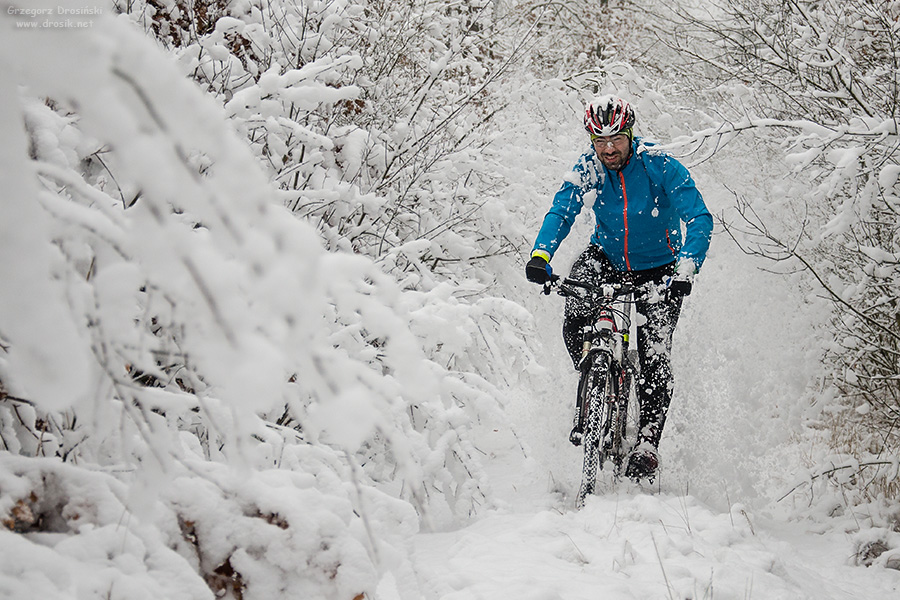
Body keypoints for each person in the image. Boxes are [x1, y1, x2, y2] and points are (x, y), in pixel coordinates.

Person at [525, 95, 712, 481]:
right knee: (575, 308)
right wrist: (541, 255)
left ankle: (646, 443)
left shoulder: (659, 163)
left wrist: (686, 269)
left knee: (655, 353)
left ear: (630, 134)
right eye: (600, 141)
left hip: (660, 268)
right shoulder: (589, 167)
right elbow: (562, 211)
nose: (609, 149)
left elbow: (699, 218)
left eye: (617, 140)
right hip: (606, 258)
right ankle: (595, 379)